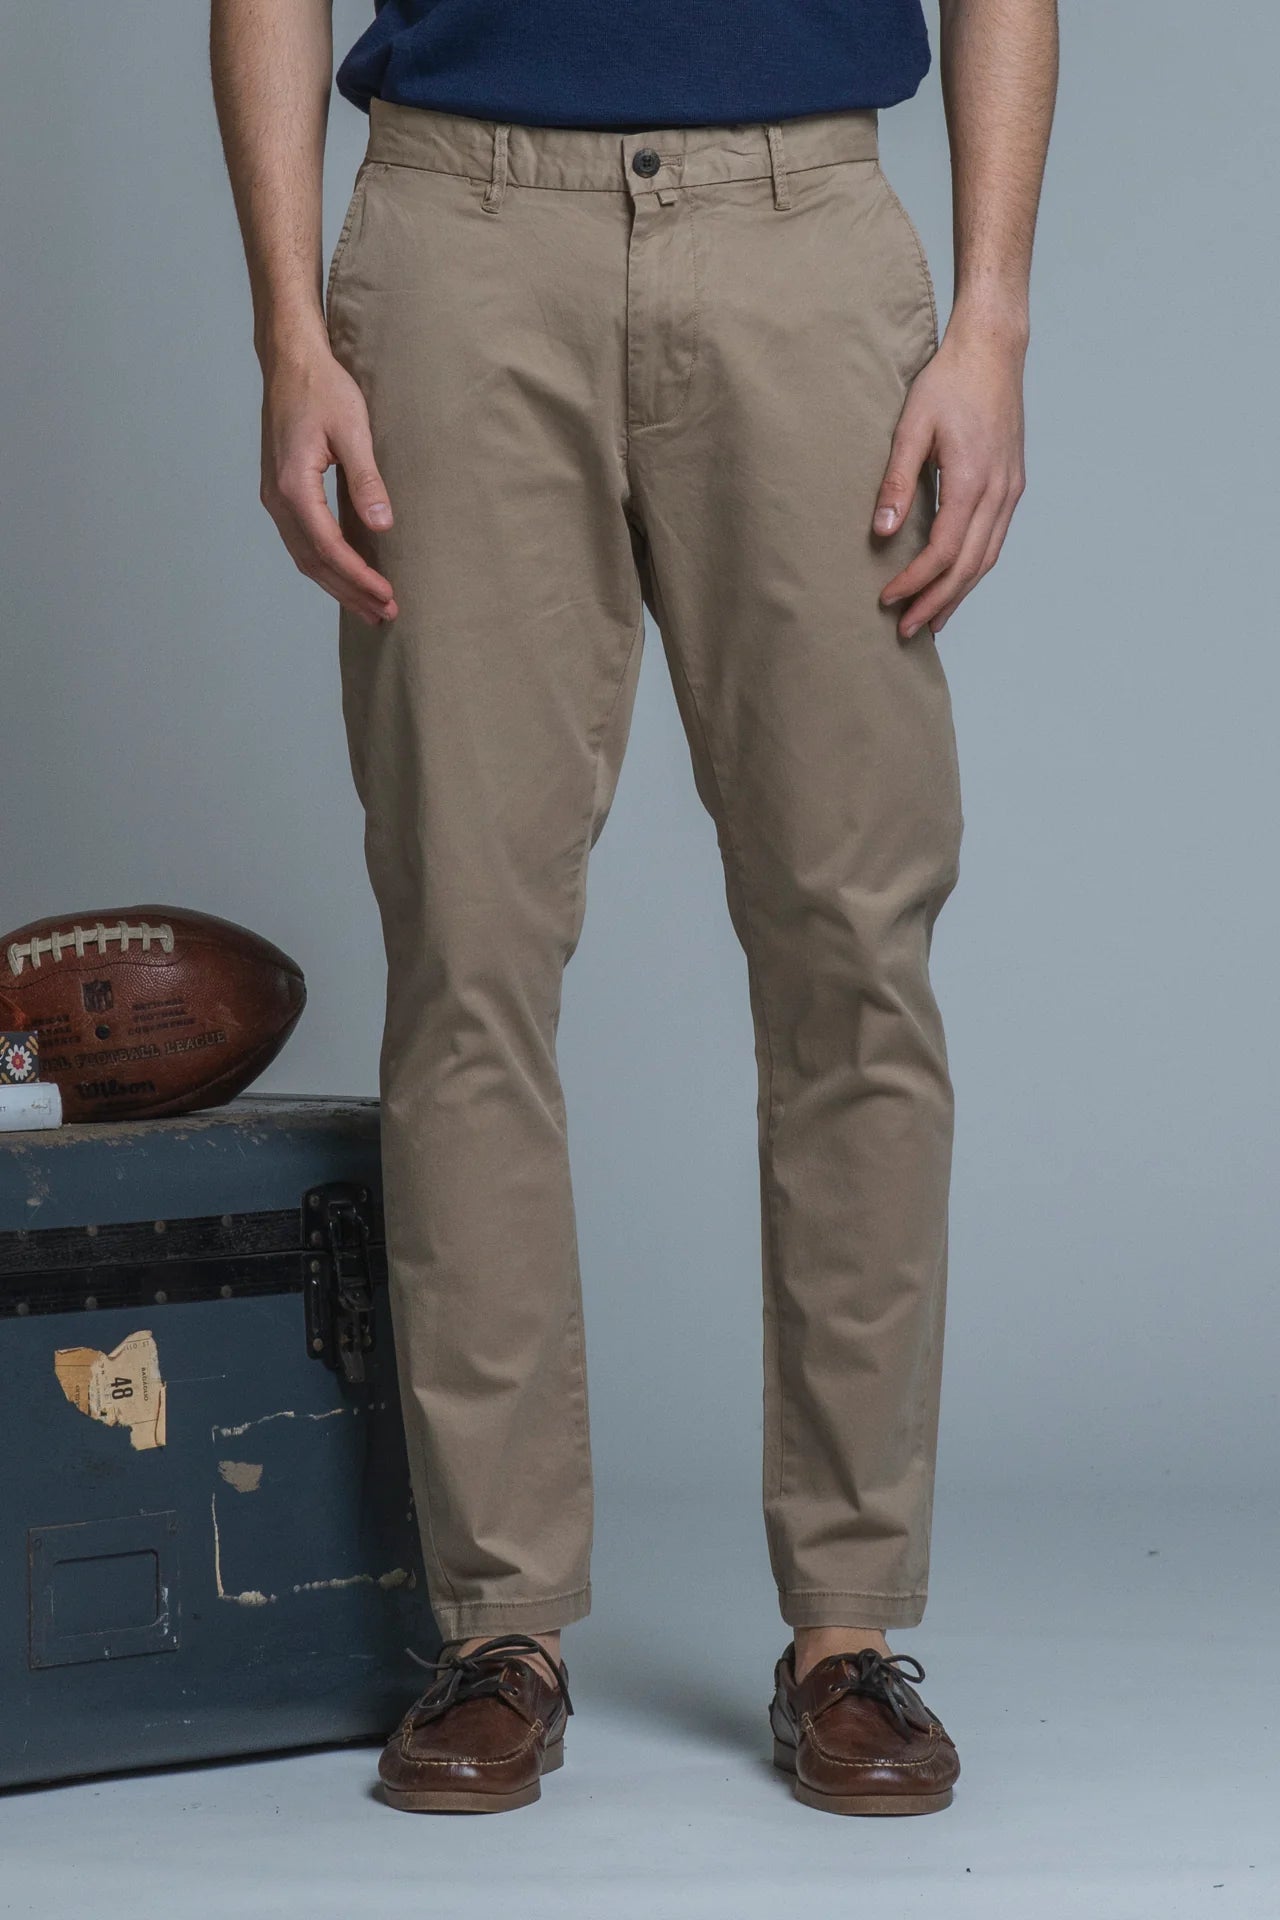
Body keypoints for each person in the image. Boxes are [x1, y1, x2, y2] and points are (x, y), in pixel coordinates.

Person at [212, 0, 1057, 1817]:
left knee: (853, 952)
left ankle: (848, 1630)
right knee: (467, 957)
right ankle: (497, 1626)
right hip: (458, 236)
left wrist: (990, 318)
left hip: (800, 228)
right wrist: (290, 331)